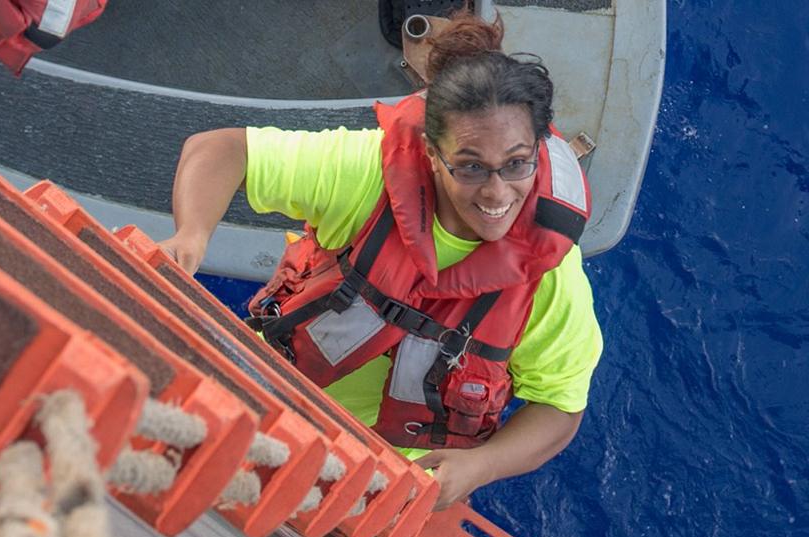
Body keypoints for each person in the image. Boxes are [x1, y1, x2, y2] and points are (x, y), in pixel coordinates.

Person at [158, 8, 602, 511]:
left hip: (382, 483)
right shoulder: (369, 175)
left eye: (516, 164)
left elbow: (561, 405)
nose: (497, 193)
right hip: (259, 395)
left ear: (539, 152)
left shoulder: (549, 274)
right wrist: (190, 238)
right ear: (432, 154)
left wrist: (482, 465)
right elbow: (221, 150)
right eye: (471, 167)